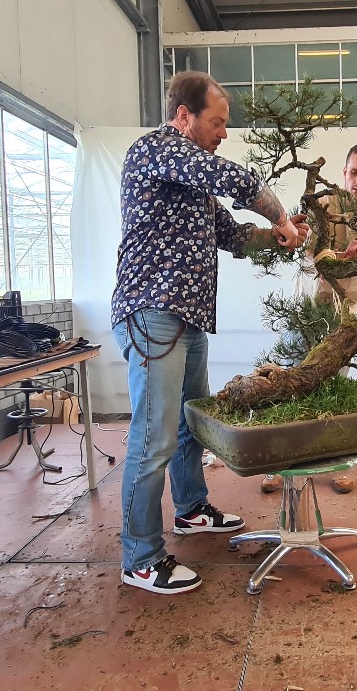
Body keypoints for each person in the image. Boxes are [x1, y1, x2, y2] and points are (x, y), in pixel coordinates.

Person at [111, 71, 310, 595]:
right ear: (184, 116)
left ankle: (192, 508)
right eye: (217, 122)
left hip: (187, 317)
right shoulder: (156, 150)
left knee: (189, 424)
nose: (224, 133)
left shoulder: (190, 179)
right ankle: (140, 558)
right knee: (152, 437)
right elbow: (235, 180)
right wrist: (281, 215)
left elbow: (232, 235)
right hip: (153, 313)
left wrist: (277, 237)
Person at [261, 143, 357, 496]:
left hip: (343, 313)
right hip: (306, 309)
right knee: (287, 381)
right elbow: (298, 240)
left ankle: (338, 460)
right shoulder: (321, 205)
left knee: (337, 386)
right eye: (354, 172)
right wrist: (328, 255)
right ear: (344, 172)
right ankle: (277, 460)